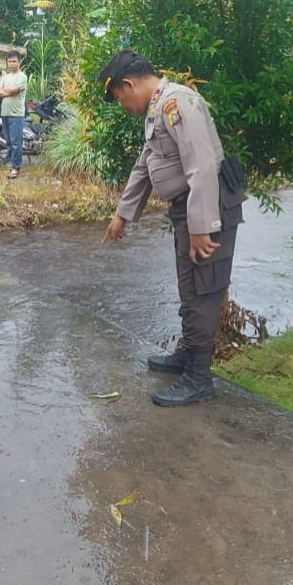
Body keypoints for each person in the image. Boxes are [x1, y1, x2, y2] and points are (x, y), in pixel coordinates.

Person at [99, 50, 245, 407]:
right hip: (188, 212)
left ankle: (198, 378)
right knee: (189, 289)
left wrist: (202, 227)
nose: (123, 107)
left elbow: (202, 166)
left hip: (209, 210)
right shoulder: (157, 109)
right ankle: (189, 355)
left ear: (128, 84)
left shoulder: (177, 103)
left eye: (120, 98)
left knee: (204, 290)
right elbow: (146, 164)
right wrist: (123, 214)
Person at [0, 51, 28, 179]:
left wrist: (6, 91)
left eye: (14, 61)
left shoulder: (22, 77)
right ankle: (11, 163)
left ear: (19, 62)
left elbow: (14, 90)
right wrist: (7, 92)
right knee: (8, 141)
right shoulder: (5, 78)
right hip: (5, 113)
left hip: (16, 114)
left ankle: (16, 167)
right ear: (7, 63)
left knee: (15, 142)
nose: (12, 64)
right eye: (10, 61)